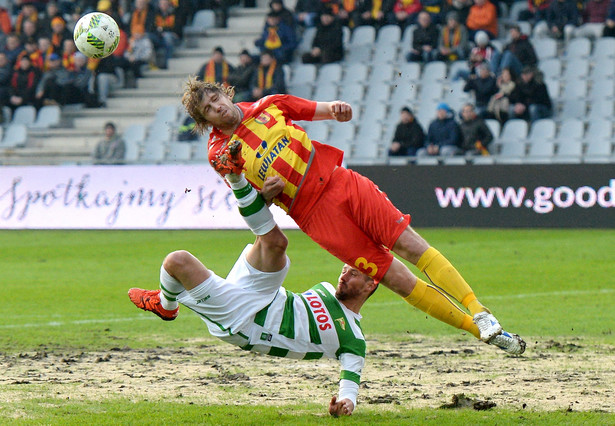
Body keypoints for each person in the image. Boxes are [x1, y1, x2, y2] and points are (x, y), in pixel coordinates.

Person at [128, 171, 523, 416]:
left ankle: (165, 305)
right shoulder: (326, 292)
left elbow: (350, 382)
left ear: (373, 284)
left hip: (245, 322)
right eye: (347, 264)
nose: (346, 267)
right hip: (266, 296)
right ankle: (235, 179)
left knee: (178, 261)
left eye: (356, 269)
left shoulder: (354, 338)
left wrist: (346, 404)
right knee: (277, 245)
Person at [180, 79, 526, 356]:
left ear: (224, 93)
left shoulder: (270, 105)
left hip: (340, 183)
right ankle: (481, 332)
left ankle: (478, 310)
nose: (218, 109)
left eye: (216, 99)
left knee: (409, 244)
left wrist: (338, 110)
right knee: (394, 279)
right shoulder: (222, 155)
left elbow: (321, 110)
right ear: (204, 121)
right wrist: (266, 195)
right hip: (314, 216)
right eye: (209, 110)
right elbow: (252, 211)